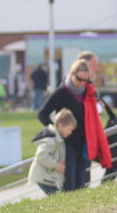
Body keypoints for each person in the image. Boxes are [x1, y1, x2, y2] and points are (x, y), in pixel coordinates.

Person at [38, 59, 112, 191]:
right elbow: (42, 114)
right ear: (72, 74)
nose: (82, 83)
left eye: (86, 80)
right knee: (69, 184)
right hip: (67, 143)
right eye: (79, 79)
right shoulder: (61, 92)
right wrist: (56, 131)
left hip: (84, 143)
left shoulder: (89, 91)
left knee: (82, 182)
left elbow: (93, 113)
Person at [75, 50, 117, 184]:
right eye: (95, 64)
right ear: (84, 65)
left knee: (113, 163)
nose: (97, 68)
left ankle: (103, 192)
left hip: (92, 135)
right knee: (85, 173)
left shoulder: (88, 85)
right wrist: (99, 107)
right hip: (84, 137)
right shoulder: (79, 86)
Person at [29, 109, 76, 195]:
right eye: (69, 129)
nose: (70, 133)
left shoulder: (58, 138)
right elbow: (41, 155)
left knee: (58, 196)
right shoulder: (51, 139)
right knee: (57, 197)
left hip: (49, 178)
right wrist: (56, 165)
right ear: (61, 125)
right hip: (44, 177)